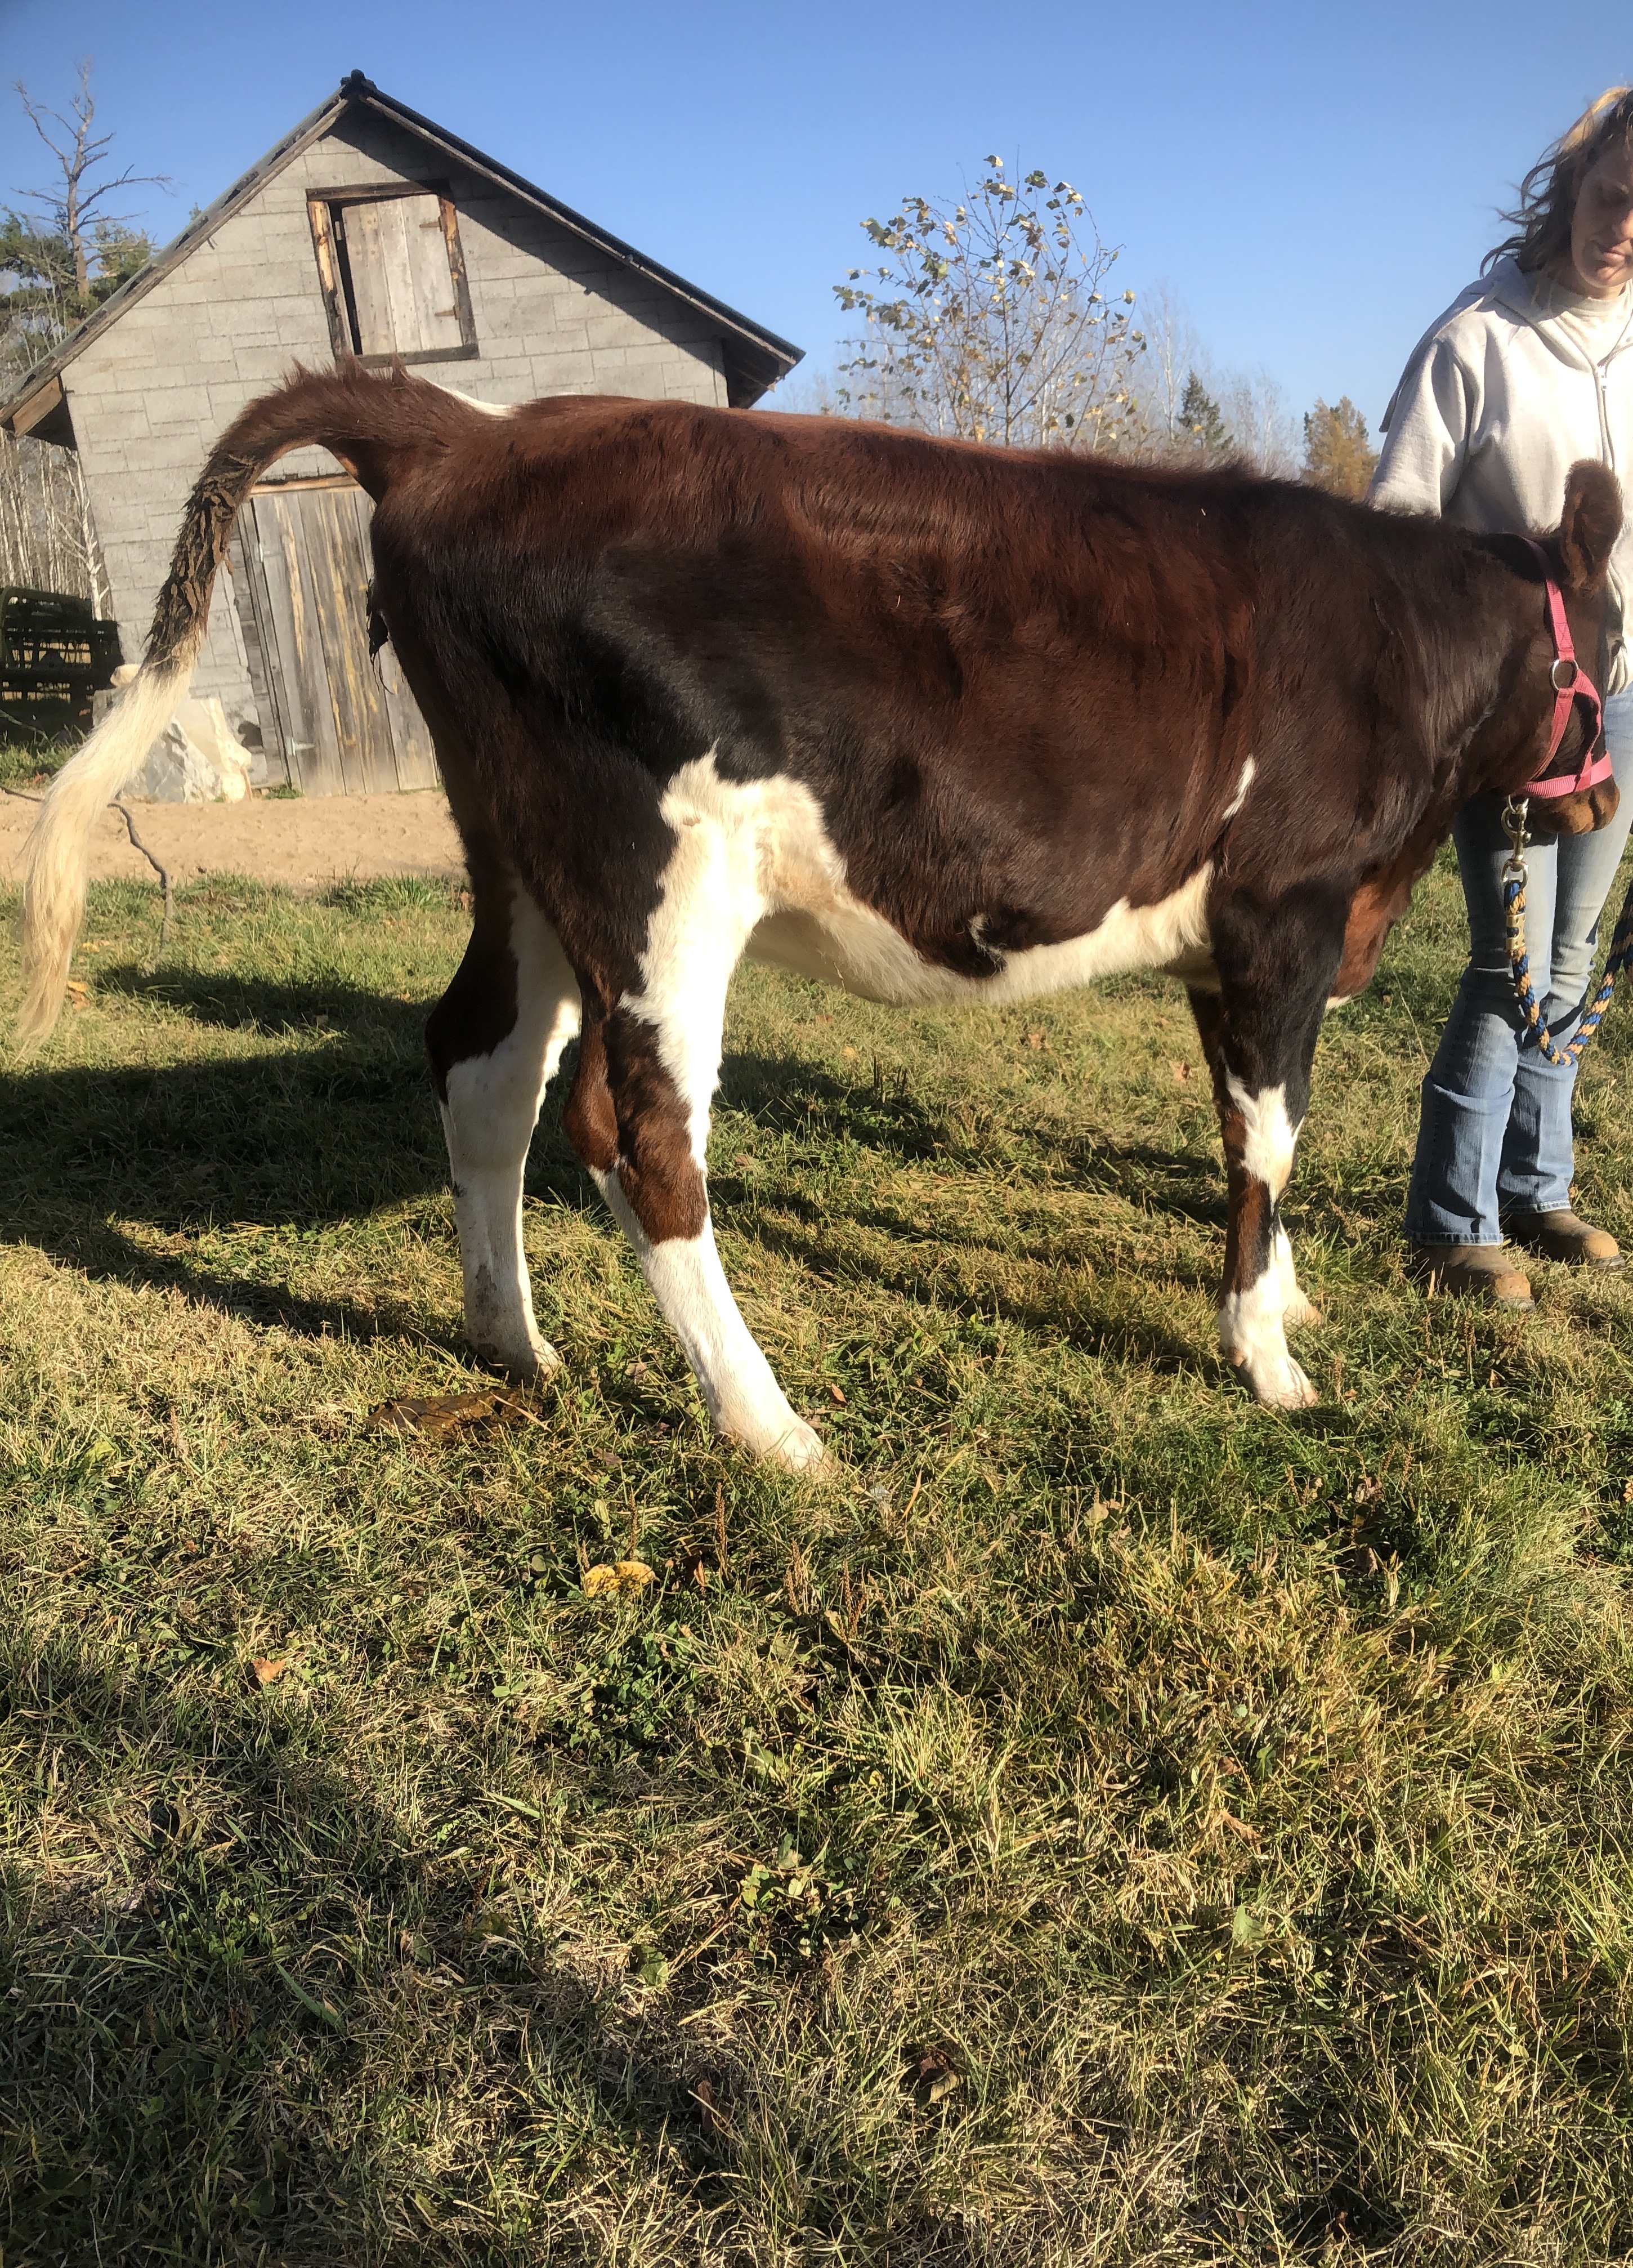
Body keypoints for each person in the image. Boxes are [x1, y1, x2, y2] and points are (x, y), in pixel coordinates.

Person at [1370, 87, 1633, 1308]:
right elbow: (1392, 523)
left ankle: (1535, 1186)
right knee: (1504, 959)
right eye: (1610, 197)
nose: (1622, 230)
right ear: (1571, 184)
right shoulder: (1477, 338)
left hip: (1621, 703)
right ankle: (1447, 1218)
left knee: (1571, 953)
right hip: (1509, 716)